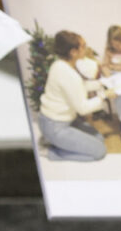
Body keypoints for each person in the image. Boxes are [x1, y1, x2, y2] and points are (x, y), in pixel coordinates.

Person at [36, 31, 110, 162]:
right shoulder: (68, 74)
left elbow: (78, 87)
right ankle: (50, 152)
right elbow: (82, 108)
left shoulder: (60, 64)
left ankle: (55, 140)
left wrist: (102, 83)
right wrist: (104, 95)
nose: (86, 48)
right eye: (83, 46)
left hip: (64, 120)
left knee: (99, 138)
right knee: (100, 152)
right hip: (55, 126)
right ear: (73, 52)